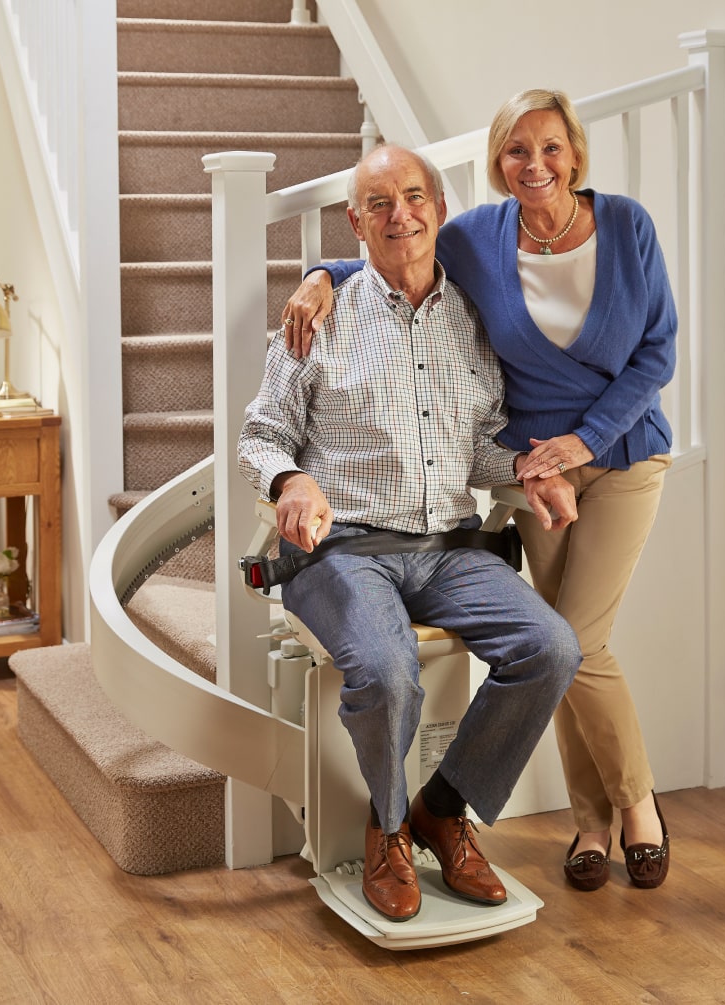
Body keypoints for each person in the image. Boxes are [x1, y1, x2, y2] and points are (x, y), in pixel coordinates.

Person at [280, 89, 677, 892]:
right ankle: (546, 823)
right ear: (496, 163)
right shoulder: (460, 247)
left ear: (574, 153)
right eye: (515, 150)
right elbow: (392, 256)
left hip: (605, 458)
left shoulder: (621, 229)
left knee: (567, 643)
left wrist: (559, 459)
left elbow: (654, 354)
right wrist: (323, 275)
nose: (534, 164)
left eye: (550, 147)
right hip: (455, 496)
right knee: (501, 653)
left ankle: (589, 807)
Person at [238, 143, 582, 923]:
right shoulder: (317, 318)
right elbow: (259, 435)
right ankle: (388, 825)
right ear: (355, 223)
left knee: (552, 648)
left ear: (438, 207)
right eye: (382, 203)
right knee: (389, 671)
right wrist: (290, 482)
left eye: (415, 196)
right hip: (343, 549)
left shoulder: (469, 317)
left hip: (447, 545)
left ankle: (443, 805)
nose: (403, 214)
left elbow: (484, 437)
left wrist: (533, 470)